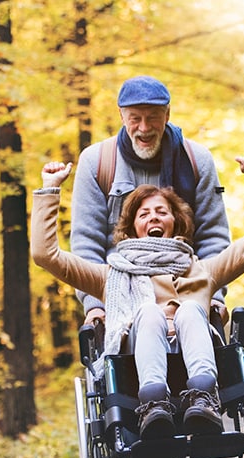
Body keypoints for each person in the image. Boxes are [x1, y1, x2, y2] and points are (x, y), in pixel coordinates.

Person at [33, 157, 244, 458]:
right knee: (147, 314)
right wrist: (50, 190)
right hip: (137, 372)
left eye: (162, 212)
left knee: (192, 313)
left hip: (196, 360)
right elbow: (46, 255)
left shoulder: (202, 270)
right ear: (131, 228)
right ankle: (154, 403)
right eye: (144, 213)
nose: (154, 218)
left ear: (176, 223)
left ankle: (201, 397)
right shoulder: (111, 275)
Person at [69, 75, 231, 328]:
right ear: (122, 117)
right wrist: (95, 305)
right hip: (119, 293)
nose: (144, 128)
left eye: (153, 117)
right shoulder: (96, 162)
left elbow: (214, 237)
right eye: (135, 118)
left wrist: (214, 297)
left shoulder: (198, 160)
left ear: (167, 115)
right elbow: (86, 242)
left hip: (188, 287)